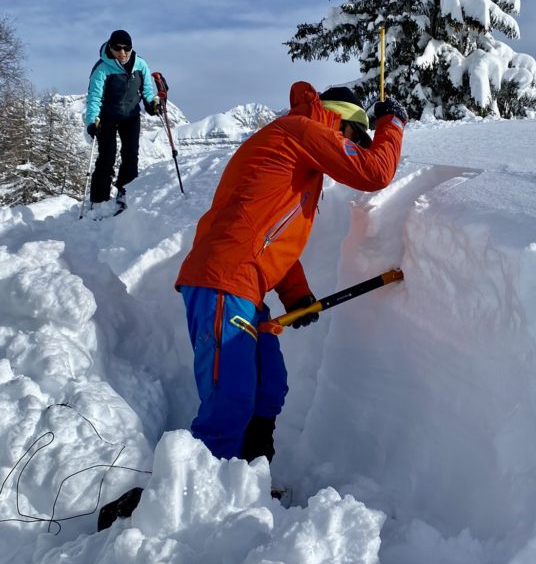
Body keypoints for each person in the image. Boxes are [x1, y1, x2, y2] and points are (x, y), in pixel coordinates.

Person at [174, 81, 407, 465]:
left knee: (269, 387)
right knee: (230, 395)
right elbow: (374, 173)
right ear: (343, 124)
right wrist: (392, 124)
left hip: (245, 284)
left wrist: (296, 293)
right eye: (355, 139)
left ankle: (249, 478)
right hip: (223, 279)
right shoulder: (303, 131)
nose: (352, 149)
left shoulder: (299, 158)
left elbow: (267, 233)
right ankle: (196, 500)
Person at [84, 29, 159, 209]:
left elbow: (147, 90)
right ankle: (98, 200)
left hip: (131, 116)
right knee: (107, 157)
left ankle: (125, 193)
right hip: (107, 117)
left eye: (127, 48)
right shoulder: (102, 68)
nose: (122, 53)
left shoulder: (140, 65)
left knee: (130, 155)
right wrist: (92, 121)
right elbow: (94, 97)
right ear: (110, 47)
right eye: (117, 48)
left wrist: (151, 103)